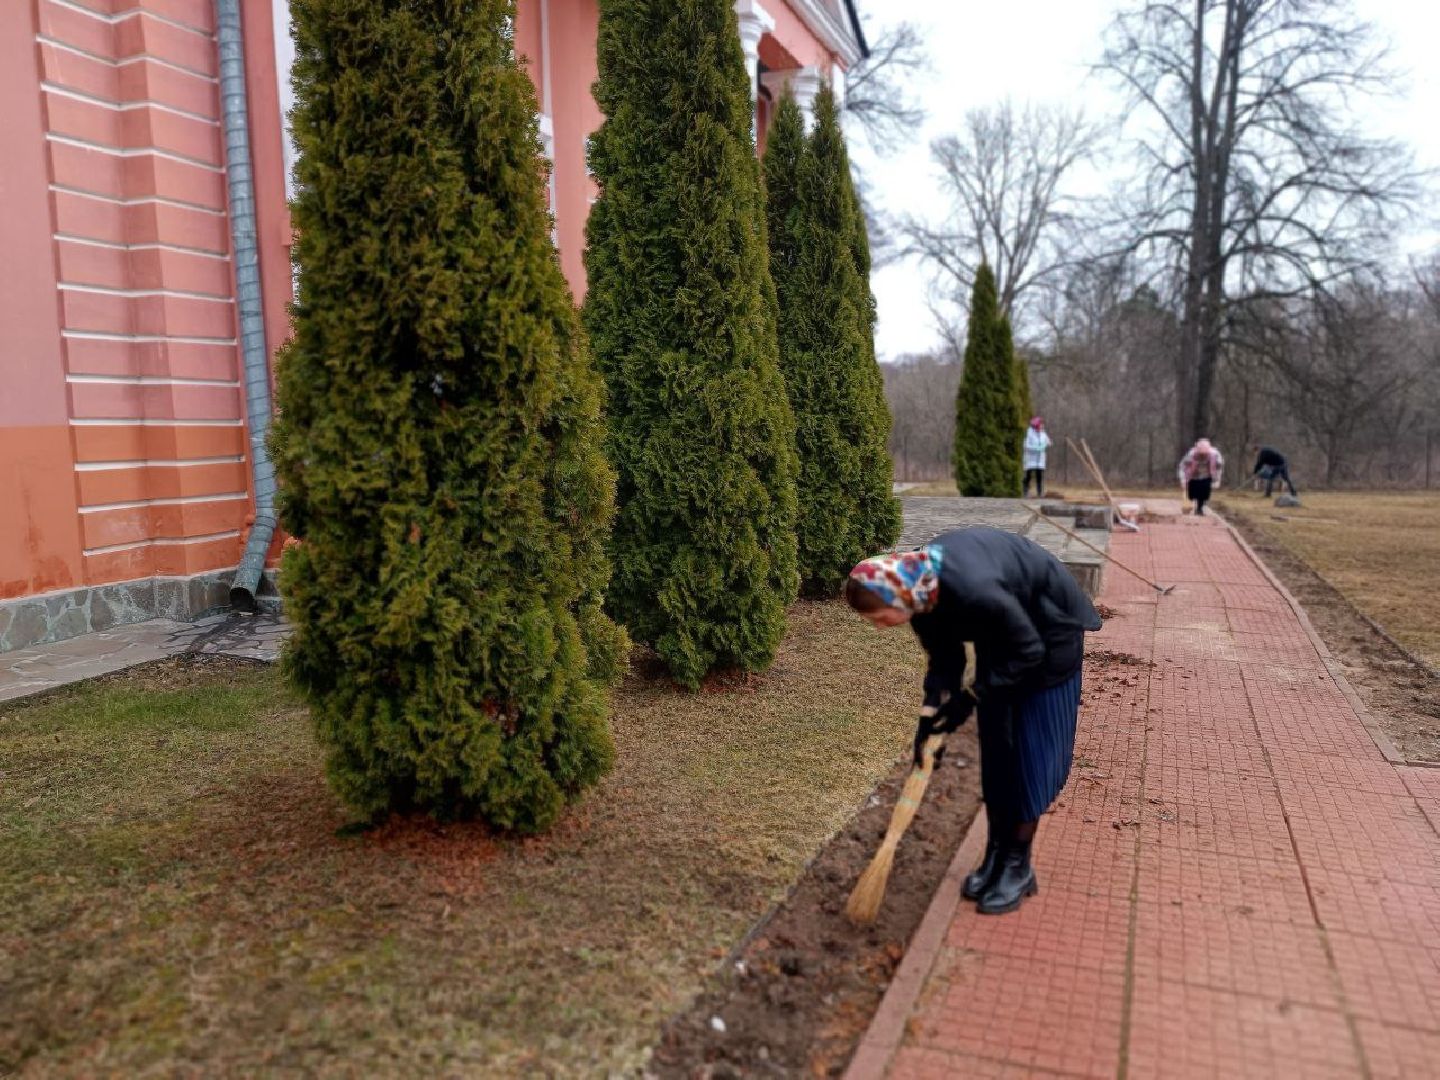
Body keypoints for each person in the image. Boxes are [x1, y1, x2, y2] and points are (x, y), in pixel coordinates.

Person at [844, 528, 1102, 915]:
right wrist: (930, 719)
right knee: (998, 754)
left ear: (895, 596)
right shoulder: (919, 589)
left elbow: (1029, 650)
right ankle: (996, 855)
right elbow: (945, 661)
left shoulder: (972, 588)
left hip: (1048, 638)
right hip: (1005, 640)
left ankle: (1017, 866)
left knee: (1029, 759)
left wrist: (971, 698)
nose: (880, 626)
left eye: (879, 617)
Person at [1178, 437, 1224, 515]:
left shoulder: (1215, 455)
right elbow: (1182, 467)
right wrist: (1183, 480)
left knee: (1204, 493)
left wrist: (1217, 480)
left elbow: (1219, 469)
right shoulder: (1191, 454)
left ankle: (1199, 508)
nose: (1202, 456)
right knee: (1192, 493)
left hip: (1207, 475)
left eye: (1205, 455)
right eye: (1200, 455)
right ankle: (1189, 505)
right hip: (1193, 475)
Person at [1023, 416, 1052, 498]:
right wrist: (1036, 448)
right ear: (1036, 425)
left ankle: (1039, 492)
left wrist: (1045, 444)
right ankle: (1025, 491)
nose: (1042, 426)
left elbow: (1049, 442)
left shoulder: (1043, 433)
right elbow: (1026, 445)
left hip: (1040, 459)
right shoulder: (1030, 434)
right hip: (1031, 458)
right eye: (1041, 424)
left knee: (1039, 475)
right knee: (1029, 475)